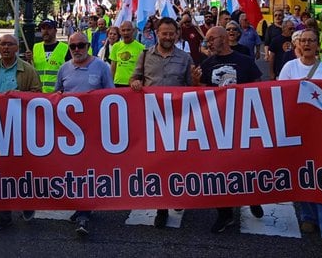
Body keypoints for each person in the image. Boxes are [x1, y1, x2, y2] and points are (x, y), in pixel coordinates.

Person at [192, 26, 264, 233]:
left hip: (242, 123)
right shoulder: (207, 64)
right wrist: (196, 83)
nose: (207, 44)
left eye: (210, 39)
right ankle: (224, 214)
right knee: (219, 169)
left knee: (246, 165)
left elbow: (259, 89)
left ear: (223, 39)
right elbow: (200, 95)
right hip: (217, 125)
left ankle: (254, 197)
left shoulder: (245, 62)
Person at [277, 29, 322, 248]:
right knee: (304, 173)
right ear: (297, 44)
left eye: (311, 41)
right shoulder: (289, 67)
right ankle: (308, 216)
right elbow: (280, 95)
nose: (306, 44)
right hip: (297, 130)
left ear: (317, 45)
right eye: (303, 41)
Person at [129, 17, 194, 229]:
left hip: (177, 120)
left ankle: (177, 196)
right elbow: (134, 78)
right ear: (157, 33)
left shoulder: (185, 58)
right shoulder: (145, 54)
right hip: (153, 119)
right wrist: (135, 83)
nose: (167, 37)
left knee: (178, 162)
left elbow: (192, 86)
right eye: (164, 33)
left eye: (171, 34)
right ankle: (162, 207)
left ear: (176, 35)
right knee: (158, 163)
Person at [0, 34, 42, 234]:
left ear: (17, 48)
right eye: (2, 44)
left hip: (20, 128)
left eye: (9, 44)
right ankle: (3, 216)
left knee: (23, 170)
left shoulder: (28, 70)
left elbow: (37, 95)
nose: (5, 47)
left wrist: (18, 98)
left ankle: (27, 202)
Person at [56, 32, 114, 236]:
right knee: (72, 170)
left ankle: (83, 212)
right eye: (73, 46)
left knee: (88, 169)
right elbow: (57, 95)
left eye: (81, 45)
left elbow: (111, 95)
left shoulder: (101, 67)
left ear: (88, 46)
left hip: (93, 129)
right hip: (70, 133)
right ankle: (81, 205)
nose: (77, 50)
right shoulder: (64, 69)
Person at [30, 19, 71, 93]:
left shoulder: (65, 48)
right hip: (38, 93)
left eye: (49, 28)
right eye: (43, 28)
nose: (46, 31)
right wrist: (29, 60)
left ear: (55, 31)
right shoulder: (36, 47)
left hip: (57, 95)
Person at [110, 21, 144, 87]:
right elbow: (113, 67)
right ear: (120, 32)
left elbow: (142, 69)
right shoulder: (115, 46)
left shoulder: (141, 47)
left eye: (128, 30)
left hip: (133, 84)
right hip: (117, 83)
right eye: (123, 30)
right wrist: (110, 83)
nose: (126, 33)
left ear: (133, 31)